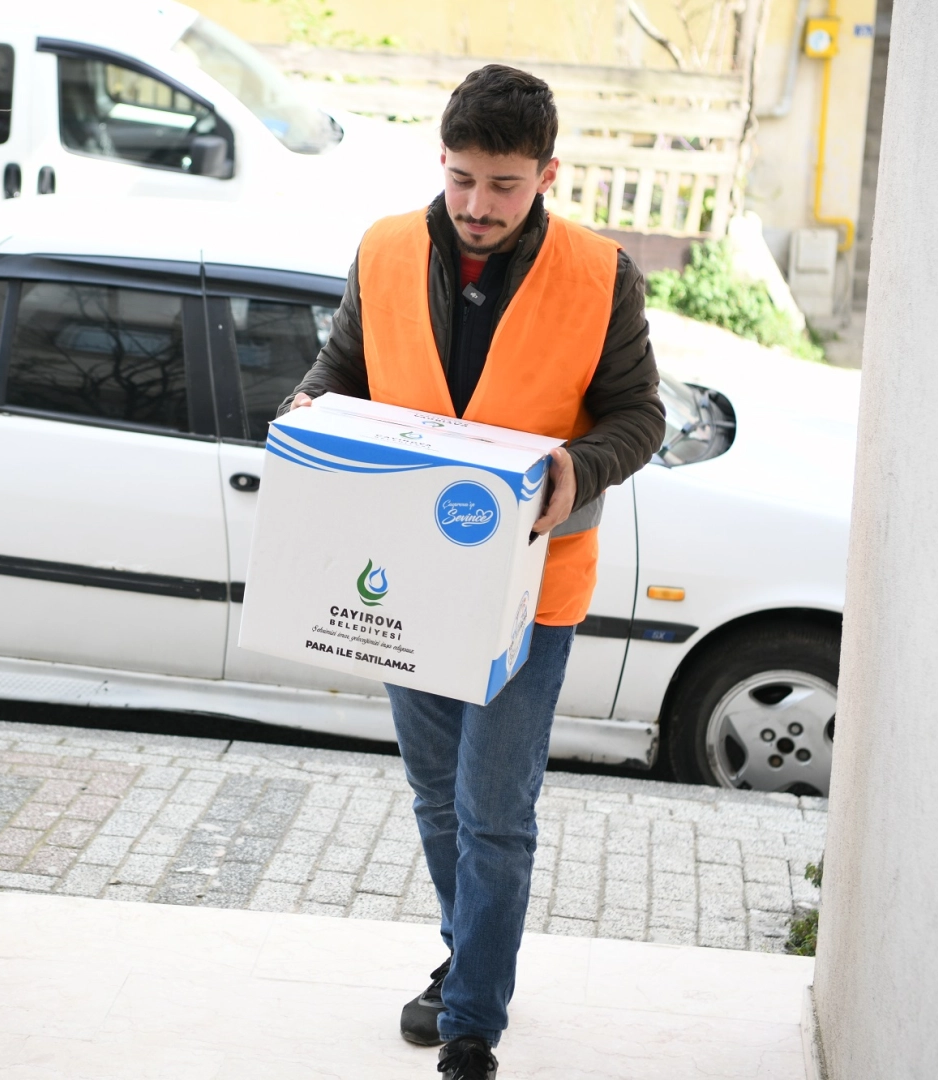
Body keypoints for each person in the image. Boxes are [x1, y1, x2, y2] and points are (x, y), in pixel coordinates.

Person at [281, 65, 664, 1079]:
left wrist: (576, 466)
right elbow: (343, 371)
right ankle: (466, 963)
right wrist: (309, 408)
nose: (476, 206)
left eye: (501, 185)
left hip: (531, 591)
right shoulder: (382, 249)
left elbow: (640, 416)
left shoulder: (600, 273)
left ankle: (470, 1026)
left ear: (545, 172)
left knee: (495, 809)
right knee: (436, 795)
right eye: (460, 180)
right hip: (407, 574)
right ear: (440, 162)